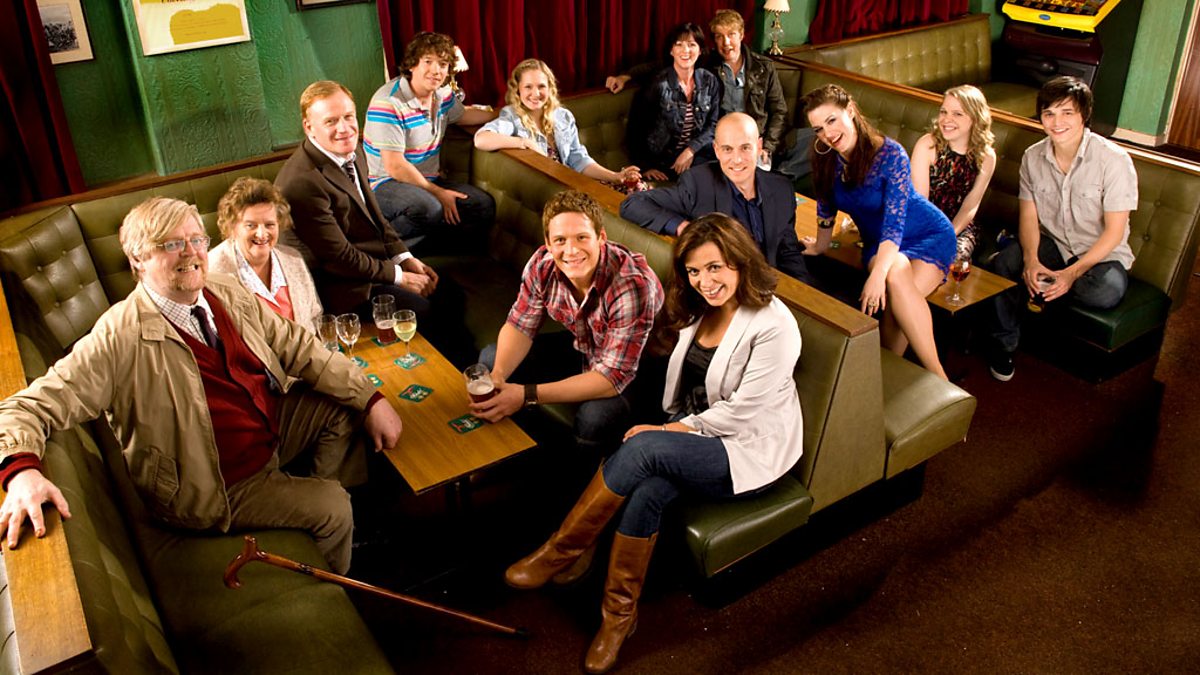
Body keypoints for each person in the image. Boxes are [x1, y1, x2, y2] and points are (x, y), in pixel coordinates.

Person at [0, 197, 404, 574]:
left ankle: (316, 516)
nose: (190, 252)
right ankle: (334, 571)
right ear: (138, 259)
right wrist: (21, 473)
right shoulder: (119, 336)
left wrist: (370, 398)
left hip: (266, 433)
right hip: (214, 484)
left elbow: (298, 346)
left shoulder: (224, 290)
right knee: (332, 507)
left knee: (341, 406)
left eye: (196, 239)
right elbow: (25, 408)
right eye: (171, 244)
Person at [503, 214, 803, 674]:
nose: (705, 281)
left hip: (745, 449)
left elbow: (743, 412)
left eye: (715, 267)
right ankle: (619, 616)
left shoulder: (775, 324)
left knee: (642, 450)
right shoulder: (700, 306)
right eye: (695, 271)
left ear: (740, 262)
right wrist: (670, 423)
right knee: (646, 491)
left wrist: (666, 432)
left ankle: (562, 549)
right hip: (696, 430)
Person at [470, 190, 663, 457]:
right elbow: (520, 326)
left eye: (581, 237)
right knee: (491, 360)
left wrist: (526, 394)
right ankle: (515, 455)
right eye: (560, 240)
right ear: (548, 244)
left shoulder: (630, 284)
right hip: (586, 348)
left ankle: (575, 476)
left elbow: (612, 377)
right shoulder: (543, 264)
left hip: (639, 370)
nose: (571, 251)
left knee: (594, 418)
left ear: (601, 238)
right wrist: (499, 376)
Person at [985, 76, 1138, 382]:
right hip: (1054, 243)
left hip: (1099, 253)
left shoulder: (1114, 161)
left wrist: (1071, 274)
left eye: (1067, 113)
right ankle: (1005, 343)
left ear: (1084, 115)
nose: (1057, 123)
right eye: (1049, 113)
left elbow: (1114, 233)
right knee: (1004, 264)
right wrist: (1030, 260)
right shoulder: (1032, 157)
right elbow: (1029, 217)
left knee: (1103, 292)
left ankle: (1041, 307)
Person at [800, 84, 955, 379]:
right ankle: (899, 378)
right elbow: (825, 207)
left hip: (927, 234)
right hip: (878, 243)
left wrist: (877, 275)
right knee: (897, 282)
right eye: (819, 129)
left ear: (850, 111)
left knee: (895, 294)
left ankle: (932, 378)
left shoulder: (891, 154)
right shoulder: (824, 157)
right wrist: (821, 246)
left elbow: (894, 225)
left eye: (832, 120)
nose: (827, 134)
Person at [275, 80, 439, 319]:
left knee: (444, 289)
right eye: (331, 121)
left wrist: (404, 258)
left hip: (366, 266)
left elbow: (377, 218)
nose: (344, 128)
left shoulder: (352, 150)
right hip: (339, 288)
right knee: (422, 310)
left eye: (348, 117)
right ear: (309, 127)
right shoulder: (301, 183)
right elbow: (339, 258)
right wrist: (399, 276)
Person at [620, 112, 811, 284]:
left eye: (745, 148)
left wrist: (803, 295)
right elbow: (633, 204)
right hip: (724, 291)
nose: (737, 159)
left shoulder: (781, 189)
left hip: (771, 287)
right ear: (716, 150)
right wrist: (682, 227)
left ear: (759, 147)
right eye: (728, 149)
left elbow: (789, 253)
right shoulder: (698, 184)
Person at [608, 10, 803, 178]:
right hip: (721, 142)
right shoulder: (708, 63)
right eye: (719, 36)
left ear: (742, 35)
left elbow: (779, 111)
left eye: (731, 34)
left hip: (755, 140)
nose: (726, 42)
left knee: (807, 140)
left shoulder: (763, 67)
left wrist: (767, 147)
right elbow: (666, 64)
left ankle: (776, 176)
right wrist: (626, 76)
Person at [363, 31, 496, 249]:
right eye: (428, 62)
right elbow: (395, 166)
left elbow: (463, 115)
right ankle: (375, 249)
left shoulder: (442, 94)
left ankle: (419, 247)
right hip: (387, 184)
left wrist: (502, 114)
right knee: (430, 208)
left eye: (443, 64)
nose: (436, 70)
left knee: (482, 206)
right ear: (412, 65)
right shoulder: (388, 102)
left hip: (429, 181)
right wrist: (437, 192)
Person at [474, 59, 641, 189]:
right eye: (528, 87)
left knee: (637, 189)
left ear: (550, 88)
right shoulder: (512, 117)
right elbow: (481, 139)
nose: (536, 94)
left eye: (541, 86)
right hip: (553, 191)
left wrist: (615, 176)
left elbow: (579, 160)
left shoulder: (563, 116)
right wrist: (523, 142)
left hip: (575, 181)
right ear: (518, 90)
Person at [209, 177, 324, 333]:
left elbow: (315, 316)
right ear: (232, 228)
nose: (262, 234)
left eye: (269, 225)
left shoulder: (293, 259)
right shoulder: (213, 272)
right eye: (251, 225)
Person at [910, 85, 998, 263]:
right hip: (922, 221)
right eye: (944, 112)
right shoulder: (927, 145)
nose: (946, 119)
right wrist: (931, 236)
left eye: (957, 114)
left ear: (975, 118)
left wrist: (948, 234)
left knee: (952, 258)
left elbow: (970, 206)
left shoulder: (987, 156)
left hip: (959, 226)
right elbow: (920, 202)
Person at [625, 23, 722, 181]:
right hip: (665, 160)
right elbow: (636, 129)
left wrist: (691, 150)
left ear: (700, 50)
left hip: (697, 153)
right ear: (671, 50)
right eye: (679, 44)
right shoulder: (658, 85)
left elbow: (713, 125)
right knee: (704, 178)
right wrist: (645, 167)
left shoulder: (709, 81)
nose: (685, 50)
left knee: (727, 167)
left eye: (692, 45)